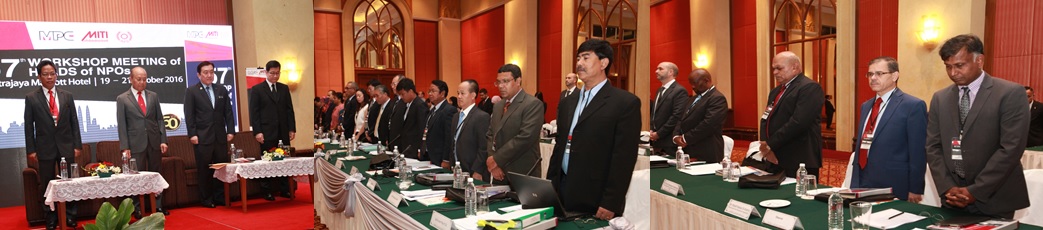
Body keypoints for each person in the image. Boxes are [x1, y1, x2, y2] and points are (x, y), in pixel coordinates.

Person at [926, 34, 1029, 218]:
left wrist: (975, 190)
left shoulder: (1010, 93)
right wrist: (948, 187)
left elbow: (1011, 148)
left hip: (995, 197)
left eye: (959, 65)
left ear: (979, 60)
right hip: (952, 198)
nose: (953, 73)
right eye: (948, 67)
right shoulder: (940, 98)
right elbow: (933, 147)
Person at [548, 39, 640, 220]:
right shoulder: (568, 102)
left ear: (603, 63)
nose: (579, 63)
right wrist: (551, 186)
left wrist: (610, 202)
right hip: (563, 188)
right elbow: (560, 145)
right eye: (578, 58)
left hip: (596, 195)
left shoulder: (624, 103)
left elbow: (624, 157)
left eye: (586, 58)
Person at [849, 56, 927, 203]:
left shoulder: (912, 105)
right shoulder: (866, 106)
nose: (873, 78)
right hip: (864, 180)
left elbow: (918, 151)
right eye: (870, 74)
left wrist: (916, 188)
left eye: (879, 73)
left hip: (894, 184)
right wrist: (855, 182)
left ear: (894, 76)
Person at [24, 60, 82, 229]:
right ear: (39, 77)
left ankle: (70, 216)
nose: (49, 77)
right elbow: (29, 125)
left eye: (52, 74)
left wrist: (77, 145)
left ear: (56, 75)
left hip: (66, 146)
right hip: (45, 147)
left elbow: (74, 122)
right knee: (47, 184)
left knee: (70, 182)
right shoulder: (31, 98)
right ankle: (50, 218)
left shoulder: (67, 95)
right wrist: (31, 149)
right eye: (45, 74)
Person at [758, 51, 825, 177]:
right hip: (775, 155)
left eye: (779, 68)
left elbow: (798, 122)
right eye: (773, 69)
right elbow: (765, 119)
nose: (775, 73)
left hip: (798, 157)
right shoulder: (775, 91)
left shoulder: (809, 87)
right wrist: (765, 145)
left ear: (794, 67)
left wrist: (770, 144)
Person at [117, 66, 170, 217]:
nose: (142, 82)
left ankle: (158, 206)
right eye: (138, 79)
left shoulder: (153, 96)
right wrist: (125, 147)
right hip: (135, 144)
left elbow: (159, 119)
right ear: (131, 79)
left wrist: (163, 140)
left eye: (144, 79)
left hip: (154, 142)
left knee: (156, 174)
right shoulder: (122, 98)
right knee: (136, 177)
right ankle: (137, 209)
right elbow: (122, 124)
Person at [183, 61, 237, 208]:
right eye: (205, 72)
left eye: (211, 72)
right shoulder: (192, 91)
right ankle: (206, 199)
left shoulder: (221, 89)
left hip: (220, 136)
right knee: (205, 169)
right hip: (202, 137)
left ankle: (220, 197)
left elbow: (228, 112)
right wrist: (192, 134)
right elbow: (189, 115)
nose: (209, 75)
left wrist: (230, 130)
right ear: (199, 75)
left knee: (220, 168)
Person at [486, 64, 544, 182]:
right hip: (498, 172)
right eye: (498, 82)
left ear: (518, 81)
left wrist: (496, 159)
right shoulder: (498, 106)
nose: (501, 86)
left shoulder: (532, 104)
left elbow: (525, 137)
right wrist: (493, 162)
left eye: (506, 81)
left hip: (522, 171)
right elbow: (491, 135)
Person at [248, 60, 297, 201]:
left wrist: (292, 128)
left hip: (283, 131)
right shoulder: (257, 89)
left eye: (277, 73)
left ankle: (284, 189)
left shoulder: (284, 88)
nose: (275, 76)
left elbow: (289, 110)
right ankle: (267, 191)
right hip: (266, 132)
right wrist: (257, 131)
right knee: (267, 161)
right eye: (272, 73)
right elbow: (254, 113)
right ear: (266, 72)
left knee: (284, 161)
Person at [672, 68, 727, 163]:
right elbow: (681, 119)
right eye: (691, 83)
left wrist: (686, 138)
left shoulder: (717, 98)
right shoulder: (692, 99)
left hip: (707, 150)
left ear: (707, 81)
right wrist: (676, 135)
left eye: (695, 83)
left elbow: (709, 124)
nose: (692, 86)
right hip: (689, 149)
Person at [447, 79, 492, 180]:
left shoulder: (481, 117)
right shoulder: (455, 117)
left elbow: (484, 148)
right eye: (458, 93)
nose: (459, 96)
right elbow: (453, 142)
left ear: (473, 95)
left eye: (463, 93)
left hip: (473, 172)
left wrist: (478, 171)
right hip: (457, 171)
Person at [650, 62, 689, 155]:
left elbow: (676, 116)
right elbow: (654, 113)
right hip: (656, 141)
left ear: (670, 72)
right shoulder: (659, 90)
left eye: (660, 69)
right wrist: (651, 129)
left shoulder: (679, 91)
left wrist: (659, 134)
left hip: (669, 142)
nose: (656, 71)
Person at [388, 78, 428, 158]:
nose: (401, 97)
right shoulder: (407, 104)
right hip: (405, 147)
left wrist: (420, 149)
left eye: (403, 94)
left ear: (410, 91)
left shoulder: (419, 105)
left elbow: (421, 129)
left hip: (414, 148)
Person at [425, 80, 457, 167]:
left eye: (433, 91)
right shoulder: (432, 110)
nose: (430, 94)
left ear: (442, 93)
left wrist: (446, 159)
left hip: (440, 158)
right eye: (429, 91)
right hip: (430, 157)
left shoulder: (449, 110)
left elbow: (449, 137)